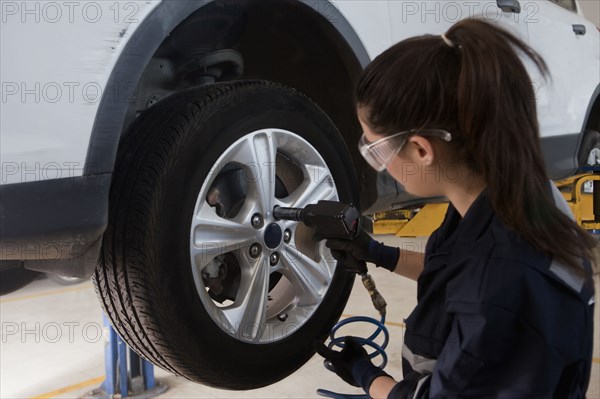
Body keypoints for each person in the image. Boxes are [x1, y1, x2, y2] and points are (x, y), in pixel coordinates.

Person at [315, 18, 597, 398]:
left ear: (420, 150)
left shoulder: (503, 292)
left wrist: (367, 376)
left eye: (376, 149)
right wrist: (377, 253)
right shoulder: (505, 194)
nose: (376, 163)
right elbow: (452, 268)